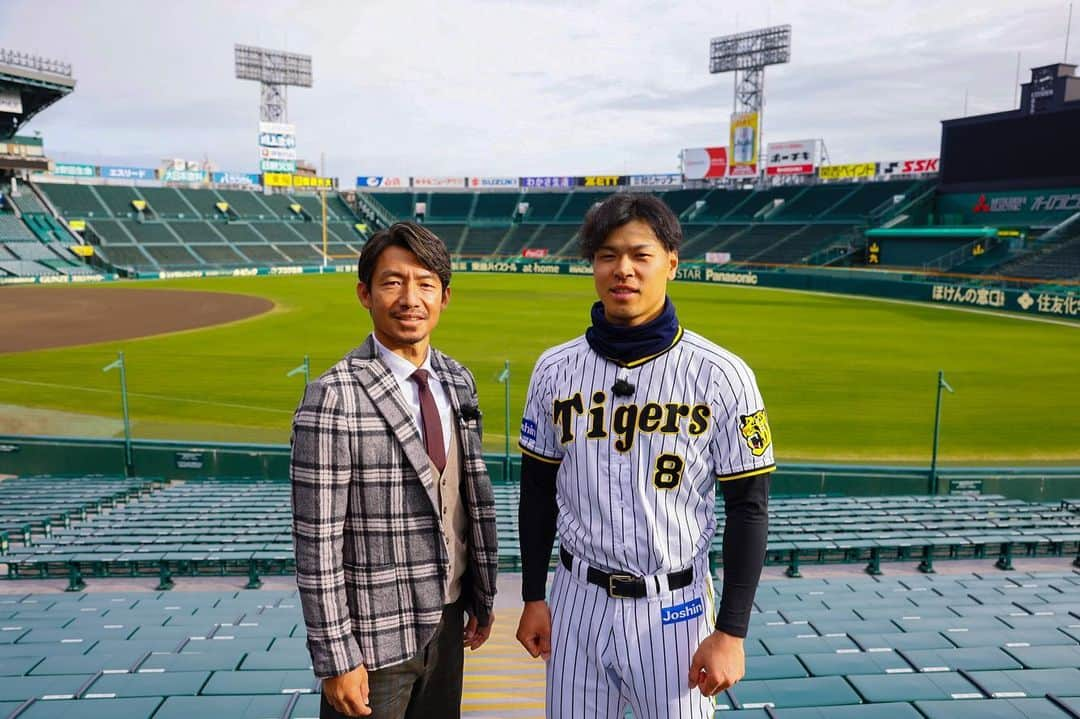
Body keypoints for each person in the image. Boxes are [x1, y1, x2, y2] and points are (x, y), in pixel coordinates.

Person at [515, 193, 773, 718]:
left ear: (671, 264)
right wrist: (533, 594)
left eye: (640, 254)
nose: (622, 270)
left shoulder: (723, 374)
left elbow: (749, 506)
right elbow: (537, 490)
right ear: (592, 265)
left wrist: (731, 632)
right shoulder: (553, 369)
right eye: (607, 255)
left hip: (674, 608)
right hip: (575, 602)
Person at [291, 221, 498, 719]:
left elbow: (465, 498)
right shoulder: (333, 395)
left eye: (425, 283)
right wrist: (337, 658)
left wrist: (481, 597)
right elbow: (316, 542)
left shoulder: (457, 379)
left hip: (448, 625)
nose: (411, 298)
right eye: (393, 282)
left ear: (445, 296)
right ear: (365, 293)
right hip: (372, 642)